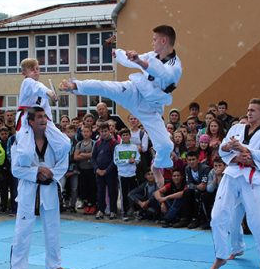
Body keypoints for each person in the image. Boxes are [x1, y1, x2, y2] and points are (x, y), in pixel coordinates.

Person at [59, 25, 182, 185]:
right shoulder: (152, 55)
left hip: (150, 109)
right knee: (107, 87)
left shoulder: (175, 67)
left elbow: (161, 73)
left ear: (164, 40)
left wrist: (140, 61)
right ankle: (76, 86)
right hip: (134, 91)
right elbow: (131, 61)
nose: (152, 43)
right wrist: (118, 53)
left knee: (166, 145)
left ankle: (158, 166)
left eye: (154, 40)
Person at [207, 98, 260, 269]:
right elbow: (223, 151)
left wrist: (245, 150)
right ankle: (221, 256)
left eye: (253, 110)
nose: (249, 112)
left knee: (256, 223)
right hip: (231, 176)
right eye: (248, 109)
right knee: (217, 217)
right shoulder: (236, 128)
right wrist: (229, 148)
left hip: (251, 180)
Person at [10, 107, 69, 269]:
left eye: (45, 117)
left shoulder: (56, 142)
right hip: (28, 190)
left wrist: (51, 174)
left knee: (53, 227)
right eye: (40, 117)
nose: (44, 120)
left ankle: (54, 264)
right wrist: (37, 171)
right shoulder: (19, 143)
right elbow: (16, 169)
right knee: (23, 229)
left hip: (49, 187)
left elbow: (63, 163)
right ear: (31, 122)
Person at [15, 58, 70, 164]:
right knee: (26, 153)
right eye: (31, 69)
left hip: (42, 119)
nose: (35, 71)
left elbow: (47, 111)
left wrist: (50, 125)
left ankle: (53, 165)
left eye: (37, 69)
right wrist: (49, 92)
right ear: (24, 73)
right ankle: (24, 168)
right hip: (26, 118)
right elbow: (38, 87)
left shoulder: (41, 89)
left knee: (65, 144)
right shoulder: (27, 82)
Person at [91, 122, 118, 220]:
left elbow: (115, 159)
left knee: (112, 192)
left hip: (110, 172)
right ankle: (101, 210)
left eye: (105, 131)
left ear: (109, 131)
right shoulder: (97, 143)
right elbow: (93, 158)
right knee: (100, 192)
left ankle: (113, 211)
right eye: (102, 131)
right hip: (99, 172)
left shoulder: (114, 143)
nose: (104, 133)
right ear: (99, 132)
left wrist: (106, 170)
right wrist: (97, 169)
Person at [113, 128, 140, 220]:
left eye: (127, 135)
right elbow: (116, 161)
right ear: (121, 137)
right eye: (123, 135)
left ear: (130, 136)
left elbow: (138, 159)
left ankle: (135, 211)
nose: (125, 136)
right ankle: (124, 213)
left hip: (132, 174)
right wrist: (128, 161)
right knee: (124, 194)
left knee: (133, 193)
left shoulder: (134, 147)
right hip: (122, 174)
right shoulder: (118, 147)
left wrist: (134, 161)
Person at [74, 125, 96, 215]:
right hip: (82, 170)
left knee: (92, 188)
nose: (85, 133)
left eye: (87, 131)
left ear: (91, 133)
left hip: (91, 170)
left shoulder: (94, 143)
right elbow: (75, 157)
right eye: (84, 131)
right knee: (84, 189)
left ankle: (93, 205)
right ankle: (86, 205)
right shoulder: (79, 144)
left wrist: (82, 154)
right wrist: (87, 155)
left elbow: (93, 155)